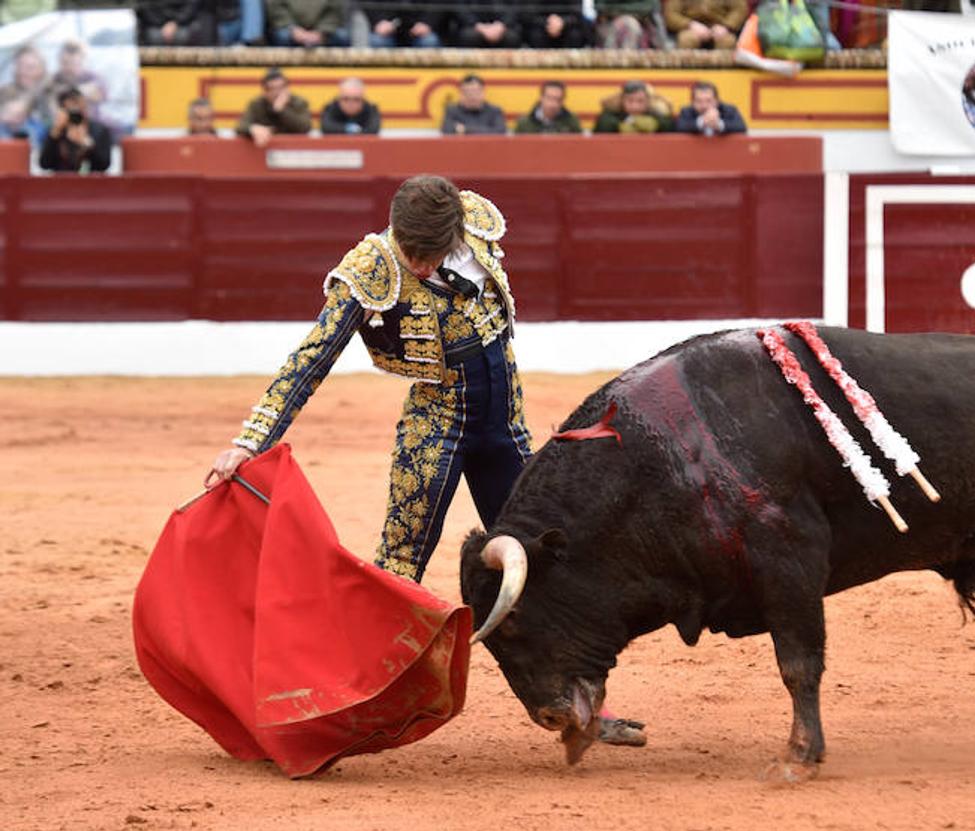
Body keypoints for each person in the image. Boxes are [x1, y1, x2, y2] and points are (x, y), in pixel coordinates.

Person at [203, 175, 647, 750]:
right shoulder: (372, 268)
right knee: (398, 566)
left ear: (455, 233)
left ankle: (586, 702)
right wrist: (251, 441)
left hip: (504, 424)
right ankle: (346, 703)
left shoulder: (480, 228)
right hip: (435, 425)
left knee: (547, 567)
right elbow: (309, 361)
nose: (412, 263)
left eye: (425, 254)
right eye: (406, 250)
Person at [38, 86, 112, 173]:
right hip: (61, 182)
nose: (75, 114)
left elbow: (104, 165)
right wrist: (55, 133)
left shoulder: (99, 130)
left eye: (79, 108)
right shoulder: (56, 131)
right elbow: (44, 164)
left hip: (90, 182)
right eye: (70, 110)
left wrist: (87, 144)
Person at [236, 68, 311, 147]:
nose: (277, 93)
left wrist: (281, 111)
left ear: (287, 88)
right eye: (272, 89)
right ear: (265, 92)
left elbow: (305, 128)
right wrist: (252, 129)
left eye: (281, 87)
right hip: (263, 148)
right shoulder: (257, 104)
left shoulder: (298, 102)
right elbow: (240, 126)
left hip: (293, 150)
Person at [0, 44, 50, 142]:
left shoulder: (50, 93)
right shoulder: (4, 92)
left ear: (41, 69)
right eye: (20, 66)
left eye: (30, 67)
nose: (23, 72)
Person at [593, 81, 676, 134]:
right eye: (630, 100)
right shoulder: (610, 113)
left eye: (640, 101)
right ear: (621, 100)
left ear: (648, 102)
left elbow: (669, 126)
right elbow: (603, 127)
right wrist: (623, 123)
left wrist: (654, 124)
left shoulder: (657, 113)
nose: (635, 106)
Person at [359, 1, 446, 48]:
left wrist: (427, 23)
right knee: (377, 41)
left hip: (421, 27)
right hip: (387, 27)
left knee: (429, 42)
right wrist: (379, 21)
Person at [664, 0, 747, 49]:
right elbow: (671, 14)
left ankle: (723, 76)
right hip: (690, 28)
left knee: (728, 42)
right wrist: (690, 25)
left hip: (720, 27)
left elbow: (739, 10)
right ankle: (688, 75)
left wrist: (726, 26)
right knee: (686, 40)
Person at [440, 74, 506, 135]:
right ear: (461, 94)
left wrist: (464, 129)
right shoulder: (452, 111)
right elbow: (446, 129)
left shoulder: (494, 111)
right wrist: (485, 130)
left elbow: (500, 131)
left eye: (475, 92)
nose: (472, 96)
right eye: (467, 92)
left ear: (483, 93)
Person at [675, 81, 746, 136]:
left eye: (708, 101)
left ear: (717, 101)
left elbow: (741, 127)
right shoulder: (686, 111)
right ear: (692, 102)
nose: (704, 105)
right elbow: (679, 127)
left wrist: (718, 124)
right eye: (699, 101)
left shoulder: (729, 110)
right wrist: (702, 122)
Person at [269, 0, 352, 47]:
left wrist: (321, 33)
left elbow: (334, 11)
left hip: (323, 33)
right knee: (282, 37)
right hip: (290, 31)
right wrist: (293, 29)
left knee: (343, 37)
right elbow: (277, 8)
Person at [513, 81, 583, 134]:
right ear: (541, 98)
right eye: (549, 98)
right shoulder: (525, 123)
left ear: (563, 101)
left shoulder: (571, 122)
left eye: (558, 99)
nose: (553, 104)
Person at [446, 0, 522, 48]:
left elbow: (515, 8)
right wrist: (478, 26)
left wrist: (502, 25)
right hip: (472, 26)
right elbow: (459, 8)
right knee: (469, 37)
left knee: (512, 38)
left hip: (502, 27)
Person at [594, 0, 669, 49]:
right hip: (610, 24)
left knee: (656, 21)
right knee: (629, 25)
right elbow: (601, 6)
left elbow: (651, 5)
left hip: (645, 22)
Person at [518, 0, 593, 48]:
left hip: (567, 28)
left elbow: (577, 14)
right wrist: (548, 22)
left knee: (576, 35)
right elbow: (528, 14)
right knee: (535, 35)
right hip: (541, 27)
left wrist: (562, 22)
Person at [136, 0, 210, 45]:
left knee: (190, 33)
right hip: (156, 25)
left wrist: (175, 23)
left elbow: (192, 6)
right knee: (152, 35)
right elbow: (145, 7)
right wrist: (162, 24)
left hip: (184, 24)